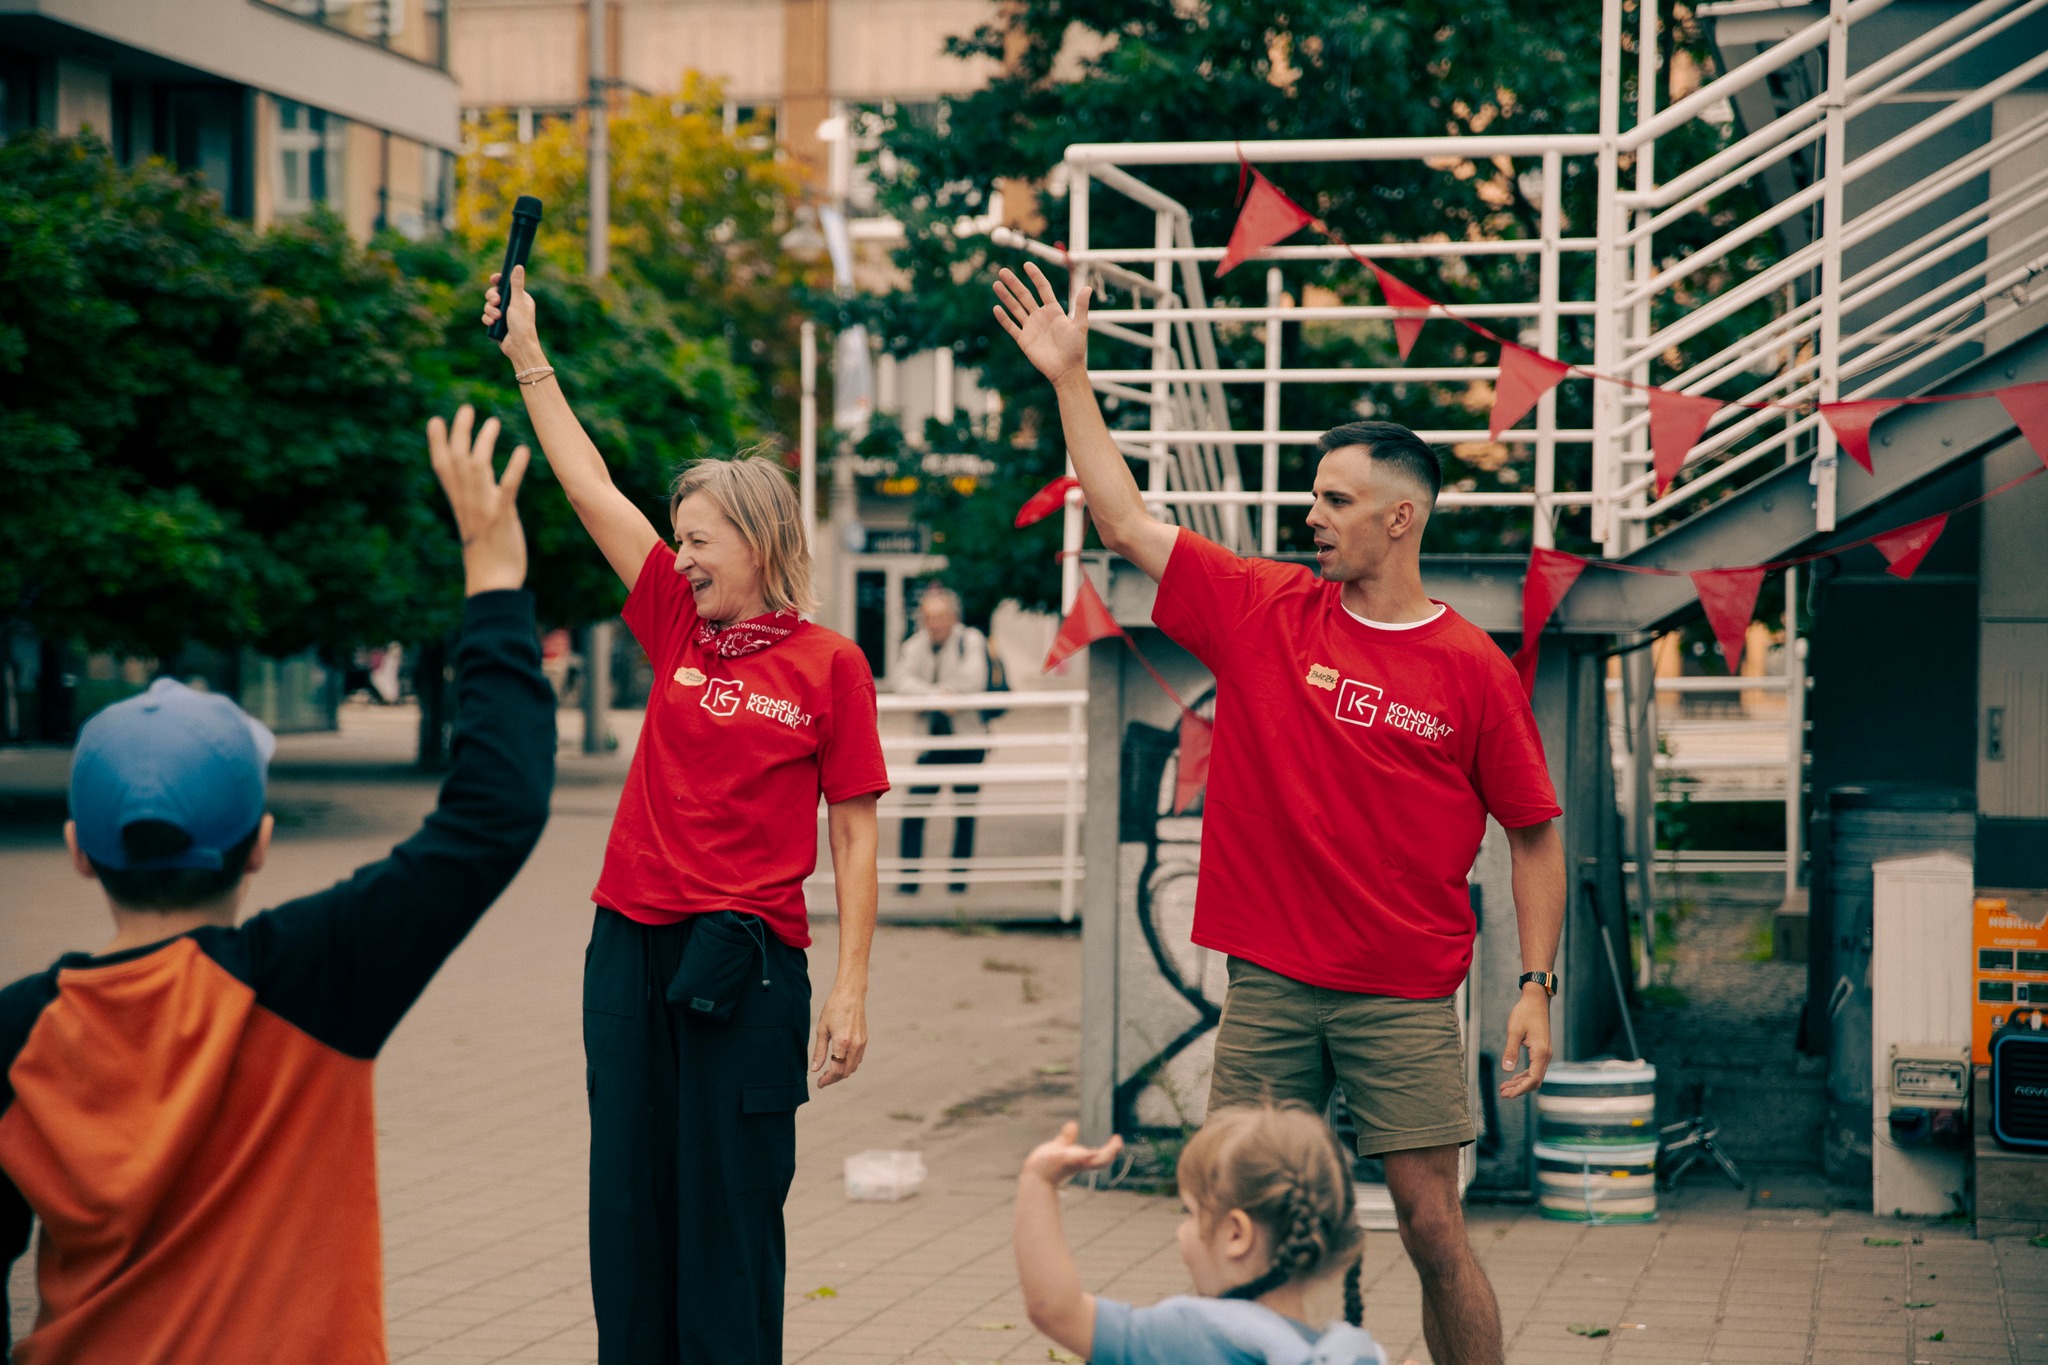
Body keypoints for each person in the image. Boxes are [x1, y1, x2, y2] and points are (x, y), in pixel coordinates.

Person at [994, 262, 1566, 1365]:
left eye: (1334, 501)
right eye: (1311, 497)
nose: (1311, 516)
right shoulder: (1264, 606)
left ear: (1399, 519)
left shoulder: (1469, 668)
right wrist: (1070, 381)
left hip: (1401, 989)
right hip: (1267, 980)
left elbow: (1532, 832)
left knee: (1433, 1228)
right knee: (1237, 1220)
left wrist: (1534, 987)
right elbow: (1119, 520)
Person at [0, 407, 553, 1362]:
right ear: (258, 845)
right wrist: (494, 581)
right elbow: (491, 815)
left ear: (79, 851)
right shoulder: (311, 976)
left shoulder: (17, 1034)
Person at [483, 265, 888, 1365]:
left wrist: (848, 986)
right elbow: (585, 490)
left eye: (702, 538)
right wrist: (527, 350)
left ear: (758, 543)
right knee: (629, 1211)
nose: (684, 554)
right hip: (631, 949)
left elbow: (852, 829)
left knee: (732, 1216)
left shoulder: (827, 666)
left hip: (748, 966)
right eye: (678, 535)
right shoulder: (675, 622)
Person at [1015, 1105, 1399, 1365]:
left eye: (1191, 1214)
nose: (1181, 1232)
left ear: (1236, 1234)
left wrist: (1038, 1179)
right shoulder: (1350, 1354)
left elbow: (1057, 1310)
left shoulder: (1190, 1336)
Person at [893, 584, 990, 895]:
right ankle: (909, 881)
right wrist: (939, 696)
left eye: (940, 616)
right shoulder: (914, 644)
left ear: (953, 616)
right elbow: (901, 681)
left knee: (964, 814)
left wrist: (931, 695)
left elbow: (974, 680)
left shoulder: (971, 640)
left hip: (967, 741)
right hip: (930, 743)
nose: (935, 623)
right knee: (913, 810)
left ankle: (958, 883)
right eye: (928, 617)